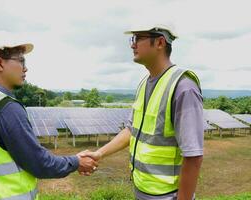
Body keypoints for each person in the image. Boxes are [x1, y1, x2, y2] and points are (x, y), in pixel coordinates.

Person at [0, 38, 97, 200]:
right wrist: (76, 162)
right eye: (21, 61)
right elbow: (39, 163)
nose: (26, 68)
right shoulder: (6, 107)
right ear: (0, 63)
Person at [82, 25, 204, 200]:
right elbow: (132, 130)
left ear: (160, 42)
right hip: (142, 191)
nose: (133, 45)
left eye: (138, 38)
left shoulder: (183, 87)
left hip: (167, 195)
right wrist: (99, 153)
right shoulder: (144, 84)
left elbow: (193, 156)